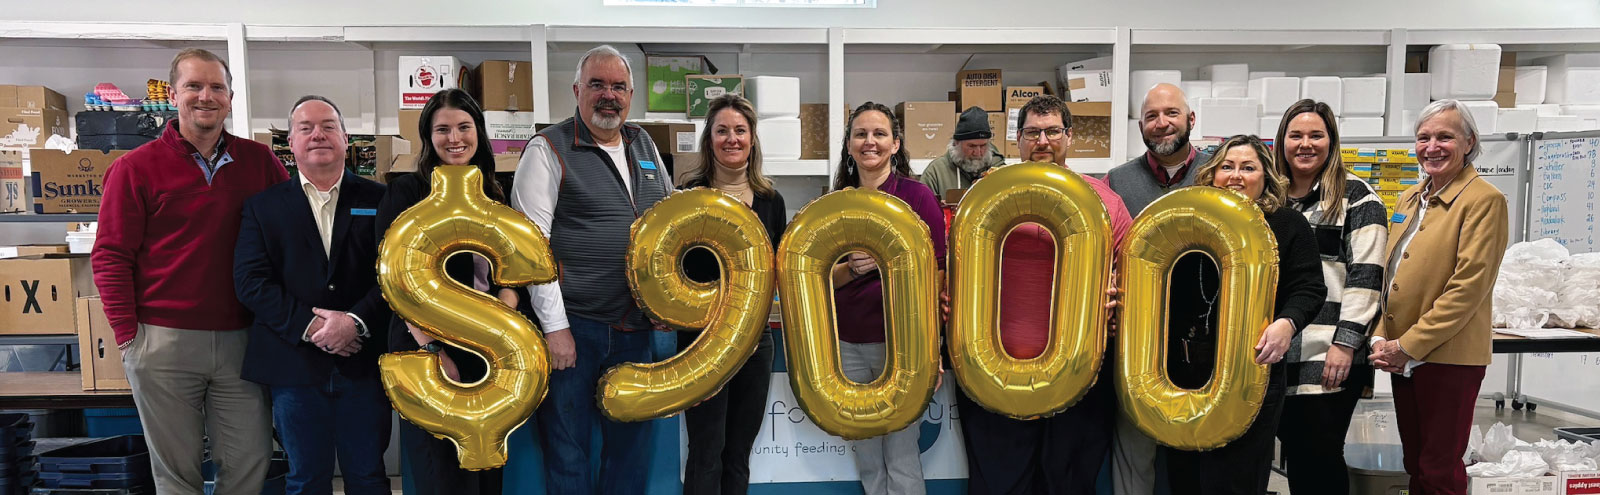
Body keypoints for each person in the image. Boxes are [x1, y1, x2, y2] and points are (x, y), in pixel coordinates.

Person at [91, 48, 285, 495]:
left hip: (243, 340)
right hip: (163, 341)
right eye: (194, 86)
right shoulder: (134, 169)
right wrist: (128, 337)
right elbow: (110, 255)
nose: (205, 96)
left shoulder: (260, 164)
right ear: (173, 94)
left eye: (217, 87)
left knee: (251, 460)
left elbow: (287, 238)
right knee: (177, 475)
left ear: (231, 98)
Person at [510, 44, 673, 495]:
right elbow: (529, 249)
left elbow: (668, 230)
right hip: (575, 328)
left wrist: (668, 301)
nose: (608, 95)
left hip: (637, 329)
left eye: (618, 86)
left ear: (631, 94)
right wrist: (555, 327)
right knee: (568, 452)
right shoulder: (548, 148)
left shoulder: (644, 144)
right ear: (577, 90)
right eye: (597, 85)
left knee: (631, 452)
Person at [953, 94, 1133, 495]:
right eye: (1032, 132)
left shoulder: (1105, 202)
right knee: (1000, 484)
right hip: (995, 371)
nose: (1043, 141)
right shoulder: (987, 195)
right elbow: (956, 268)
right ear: (1017, 139)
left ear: (1069, 136)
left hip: (1081, 373)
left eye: (1053, 131)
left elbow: (1131, 274)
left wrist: (1121, 297)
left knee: (1069, 483)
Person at [233, 95, 391, 495]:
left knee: (369, 477)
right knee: (305, 480)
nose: (317, 134)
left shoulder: (381, 201)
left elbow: (395, 276)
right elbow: (251, 282)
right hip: (294, 368)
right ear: (291, 141)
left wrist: (354, 322)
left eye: (327, 126)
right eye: (306, 128)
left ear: (345, 138)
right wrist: (313, 326)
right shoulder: (262, 208)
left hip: (364, 365)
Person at [1162, 134, 1326, 495]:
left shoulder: (1287, 224)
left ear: (1265, 177)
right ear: (1212, 174)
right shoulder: (1187, 221)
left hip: (1253, 371)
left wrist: (1287, 324)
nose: (1236, 175)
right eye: (1227, 166)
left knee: (1236, 478)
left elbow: (1310, 287)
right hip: (1186, 372)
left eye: (1248, 168)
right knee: (1184, 475)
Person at [375, 88, 519, 495]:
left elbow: (510, 271)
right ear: (428, 137)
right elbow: (393, 279)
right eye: (442, 129)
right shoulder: (406, 193)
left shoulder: (494, 190)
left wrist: (507, 309)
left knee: (487, 467)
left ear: (479, 131)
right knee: (441, 473)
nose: (454, 138)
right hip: (427, 349)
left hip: (488, 350)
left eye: (463, 127)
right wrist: (433, 350)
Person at [1369, 99, 1508, 495]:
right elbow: (1389, 273)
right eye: (1423, 137)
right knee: (1415, 461)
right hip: (1402, 353)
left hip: (1447, 357)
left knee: (1440, 468)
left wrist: (1408, 346)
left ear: (1469, 142)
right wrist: (1382, 337)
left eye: (1444, 137)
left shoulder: (1484, 200)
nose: (1432, 147)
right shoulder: (1410, 198)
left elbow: (1468, 288)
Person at [1271, 99, 1389, 495]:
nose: (1305, 144)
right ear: (1281, 141)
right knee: (1292, 458)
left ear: (1331, 140)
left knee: (1318, 457)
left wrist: (1345, 343)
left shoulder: (1357, 198)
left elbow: (1367, 276)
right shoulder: (1272, 200)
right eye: (1296, 135)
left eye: (1316, 135)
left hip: (1327, 357)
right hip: (1276, 354)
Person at [827, 101, 945, 495]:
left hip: (904, 346)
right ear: (848, 145)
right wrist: (853, 268)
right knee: (867, 457)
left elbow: (938, 275)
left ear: (896, 144)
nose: (869, 142)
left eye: (879, 134)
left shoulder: (918, 198)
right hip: (847, 345)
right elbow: (822, 278)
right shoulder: (835, 202)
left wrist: (935, 347)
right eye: (860, 134)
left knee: (901, 454)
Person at [674, 94, 787, 495]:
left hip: (756, 345)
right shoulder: (688, 196)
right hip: (700, 343)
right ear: (710, 140)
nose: (732, 138)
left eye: (740, 130)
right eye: (722, 130)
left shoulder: (772, 201)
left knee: (739, 453)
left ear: (752, 139)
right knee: (706, 451)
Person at [1106, 83, 1211, 216]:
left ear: (1191, 120)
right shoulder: (1115, 182)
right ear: (1141, 126)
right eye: (1151, 116)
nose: (1162, 123)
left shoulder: (1217, 171)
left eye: (1172, 113)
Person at [919, 106, 1005, 200]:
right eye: (971, 146)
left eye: (983, 146)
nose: (978, 152)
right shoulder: (936, 173)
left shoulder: (999, 170)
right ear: (956, 143)